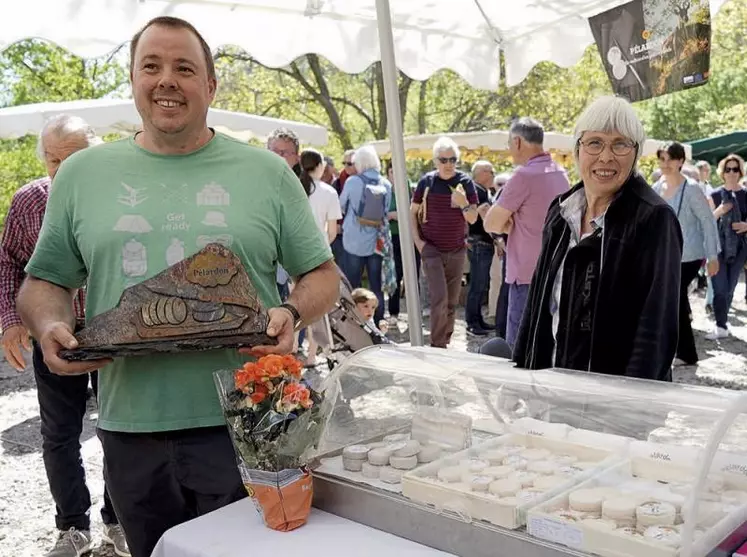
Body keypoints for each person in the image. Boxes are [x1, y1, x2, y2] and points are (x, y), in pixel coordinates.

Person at [16, 16, 338, 557]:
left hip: (251, 421)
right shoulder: (81, 174)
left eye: (184, 68)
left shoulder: (265, 172)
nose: (167, 80)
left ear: (210, 86)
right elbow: (43, 282)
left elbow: (322, 275)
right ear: (133, 79)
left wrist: (291, 310)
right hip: (129, 425)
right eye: (152, 66)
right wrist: (49, 324)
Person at [0, 115, 129, 557]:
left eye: (70, 158)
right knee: (59, 435)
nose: (59, 169)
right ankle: (73, 528)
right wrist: (11, 319)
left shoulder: (121, 195)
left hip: (113, 333)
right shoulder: (30, 200)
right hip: (53, 335)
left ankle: (118, 520)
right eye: (52, 159)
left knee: (120, 431)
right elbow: (8, 263)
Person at [512, 95, 682, 381]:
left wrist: (627, 407)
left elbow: (657, 325)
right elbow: (538, 302)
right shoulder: (561, 210)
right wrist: (523, 372)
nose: (606, 156)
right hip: (551, 383)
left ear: (636, 153)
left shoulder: (654, 218)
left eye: (620, 144)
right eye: (594, 143)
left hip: (611, 400)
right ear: (578, 149)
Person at [482, 118, 570, 349]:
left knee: (520, 351)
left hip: (526, 276)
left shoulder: (523, 176)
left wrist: (511, 224)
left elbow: (491, 223)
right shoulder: (560, 173)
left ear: (518, 141)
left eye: (509, 143)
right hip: (555, 271)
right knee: (548, 348)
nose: (509, 149)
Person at [653, 142, 720, 365]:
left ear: (681, 161)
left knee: (675, 297)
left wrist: (712, 256)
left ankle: (685, 353)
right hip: (666, 254)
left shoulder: (691, 189)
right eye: (662, 159)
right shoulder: (658, 186)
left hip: (689, 255)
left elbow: (708, 221)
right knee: (674, 299)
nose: (665, 164)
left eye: (670, 159)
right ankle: (681, 351)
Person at [410, 137, 478, 348]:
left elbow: (473, 218)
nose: (448, 164)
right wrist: (419, 243)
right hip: (431, 249)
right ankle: (436, 345)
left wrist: (463, 203)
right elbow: (412, 213)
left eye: (452, 159)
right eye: (443, 160)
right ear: (435, 161)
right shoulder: (426, 182)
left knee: (451, 301)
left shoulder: (465, 182)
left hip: (457, 250)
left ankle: (444, 342)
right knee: (439, 298)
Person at [298, 148, 342, 366]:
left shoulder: (294, 188)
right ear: (319, 166)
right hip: (320, 255)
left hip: (294, 255)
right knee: (318, 309)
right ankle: (316, 353)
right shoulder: (328, 192)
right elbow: (332, 231)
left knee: (298, 306)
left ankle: (306, 351)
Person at [339, 145, 392, 324]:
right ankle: (377, 320)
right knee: (375, 283)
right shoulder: (386, 184)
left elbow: (341, 205)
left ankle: (354, 321)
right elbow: (385, 211)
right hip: (376, 240)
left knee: (353, 283)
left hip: (354, 239)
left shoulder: (353, 182)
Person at [706, 154, 747, 340]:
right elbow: (706, 221)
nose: (731, 173)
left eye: (735, 169)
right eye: (728, 169)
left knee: (730, 288)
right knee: (719, 287)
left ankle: (723, 321)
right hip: (717, 246)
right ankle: (720, 325)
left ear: (740, 172)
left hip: (740, 247)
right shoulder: (714, 194)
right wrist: (721, 210)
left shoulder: (745, 194)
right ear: (723, 172)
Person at [385, 161, 419, 326]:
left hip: (411, 236)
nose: (395, 175)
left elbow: (412, 211)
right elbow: (380, 214)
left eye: (398, 171)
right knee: (395, 276)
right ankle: (393, 312)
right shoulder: (384, 189)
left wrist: (397, 214)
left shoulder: (409, 188)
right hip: (393, 238)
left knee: (413, 275)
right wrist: (392, 215)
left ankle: (415, 315)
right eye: (392, 172)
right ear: (388, 174)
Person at [465, 161, 496, 335]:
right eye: (491, 172)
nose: (493, 175)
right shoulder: (476, 191)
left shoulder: (482, 191)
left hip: (482, 242)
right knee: (477, 285)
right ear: (482, 173)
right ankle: (472, 323)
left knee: (480, 284)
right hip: (479, 243)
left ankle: (477, 320)